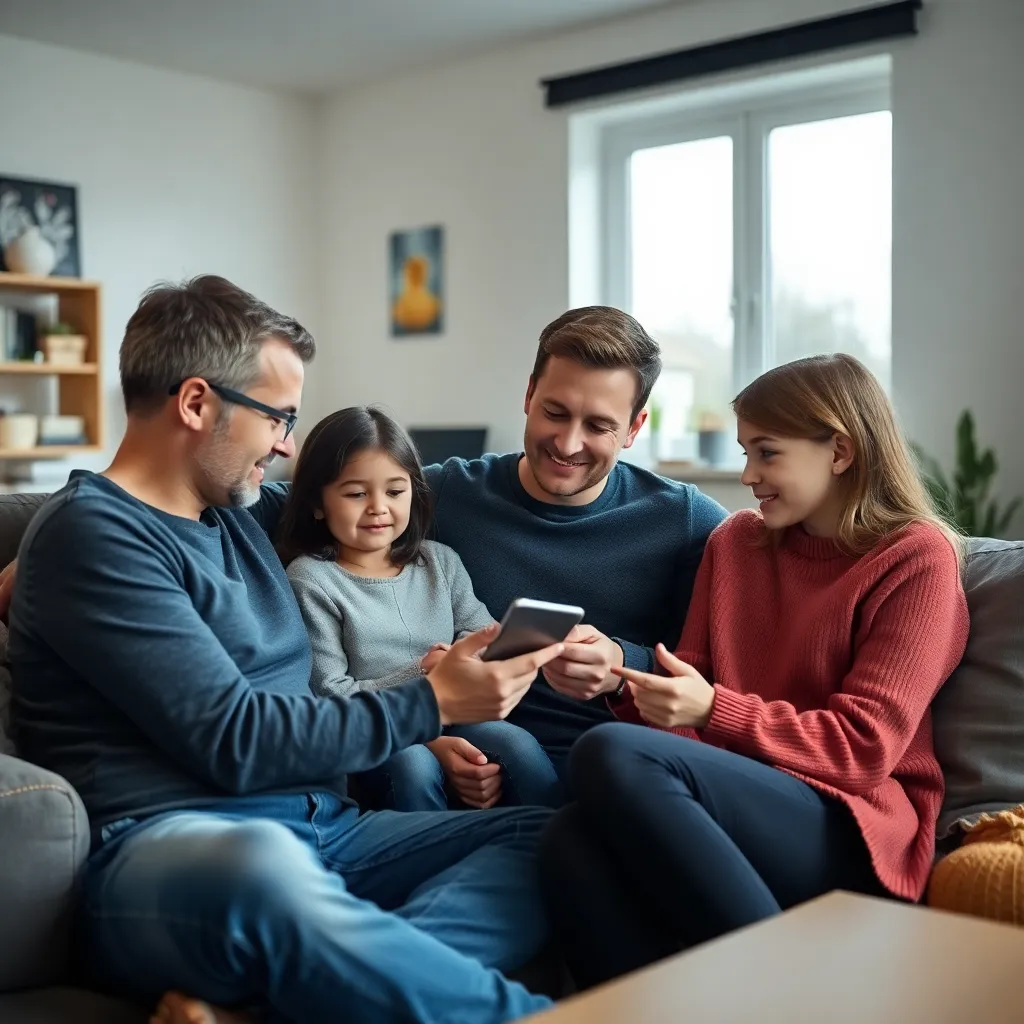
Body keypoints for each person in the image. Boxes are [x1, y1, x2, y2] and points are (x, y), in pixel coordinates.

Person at [8, 275, 565, 1024]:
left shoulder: (237, 510)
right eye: (278, 417)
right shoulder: (94, 535)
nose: (288, 444)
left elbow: (370, 483)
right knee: (262, 871)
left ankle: (288, 1007)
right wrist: (432, 703)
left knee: (555, 836)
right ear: (197, 403)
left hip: (322, 830)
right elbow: (234, 739)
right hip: (172, 850)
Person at [539, 353, 971, 990]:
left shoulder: (914, 559)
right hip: (736, 800)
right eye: (745, 453)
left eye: (766, 454)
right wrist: (624, 688)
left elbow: (865, 747)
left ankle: (782, 998)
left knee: (607, 755)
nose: (746, 475)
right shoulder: (735, 544)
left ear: (841, 451)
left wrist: (712, 709)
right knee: (566, 840)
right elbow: (688, 698)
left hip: (852, 825)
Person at [421, 307, 728, 802]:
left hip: (614, 779)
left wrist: (620, 668)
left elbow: (713, 679)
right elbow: (315, 510)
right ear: (528, 396)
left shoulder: (687, 521)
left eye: (599, 426)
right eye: (555, 413)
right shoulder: (446, 493)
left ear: (633, 428)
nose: (567, 444)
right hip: (471, 760)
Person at [278, 405, 562, 811]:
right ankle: (426, 861)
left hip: (459, 712)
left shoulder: (439, 561)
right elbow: (330, 695)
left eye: (395, 491)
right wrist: (426, 674)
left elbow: (477, 629)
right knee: (414, 766)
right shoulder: (312, 580)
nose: (378, 507)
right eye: (357, 493)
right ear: (318, 503)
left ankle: (559, 847)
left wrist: (474, 653)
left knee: (515, 743)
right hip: (378, 731)